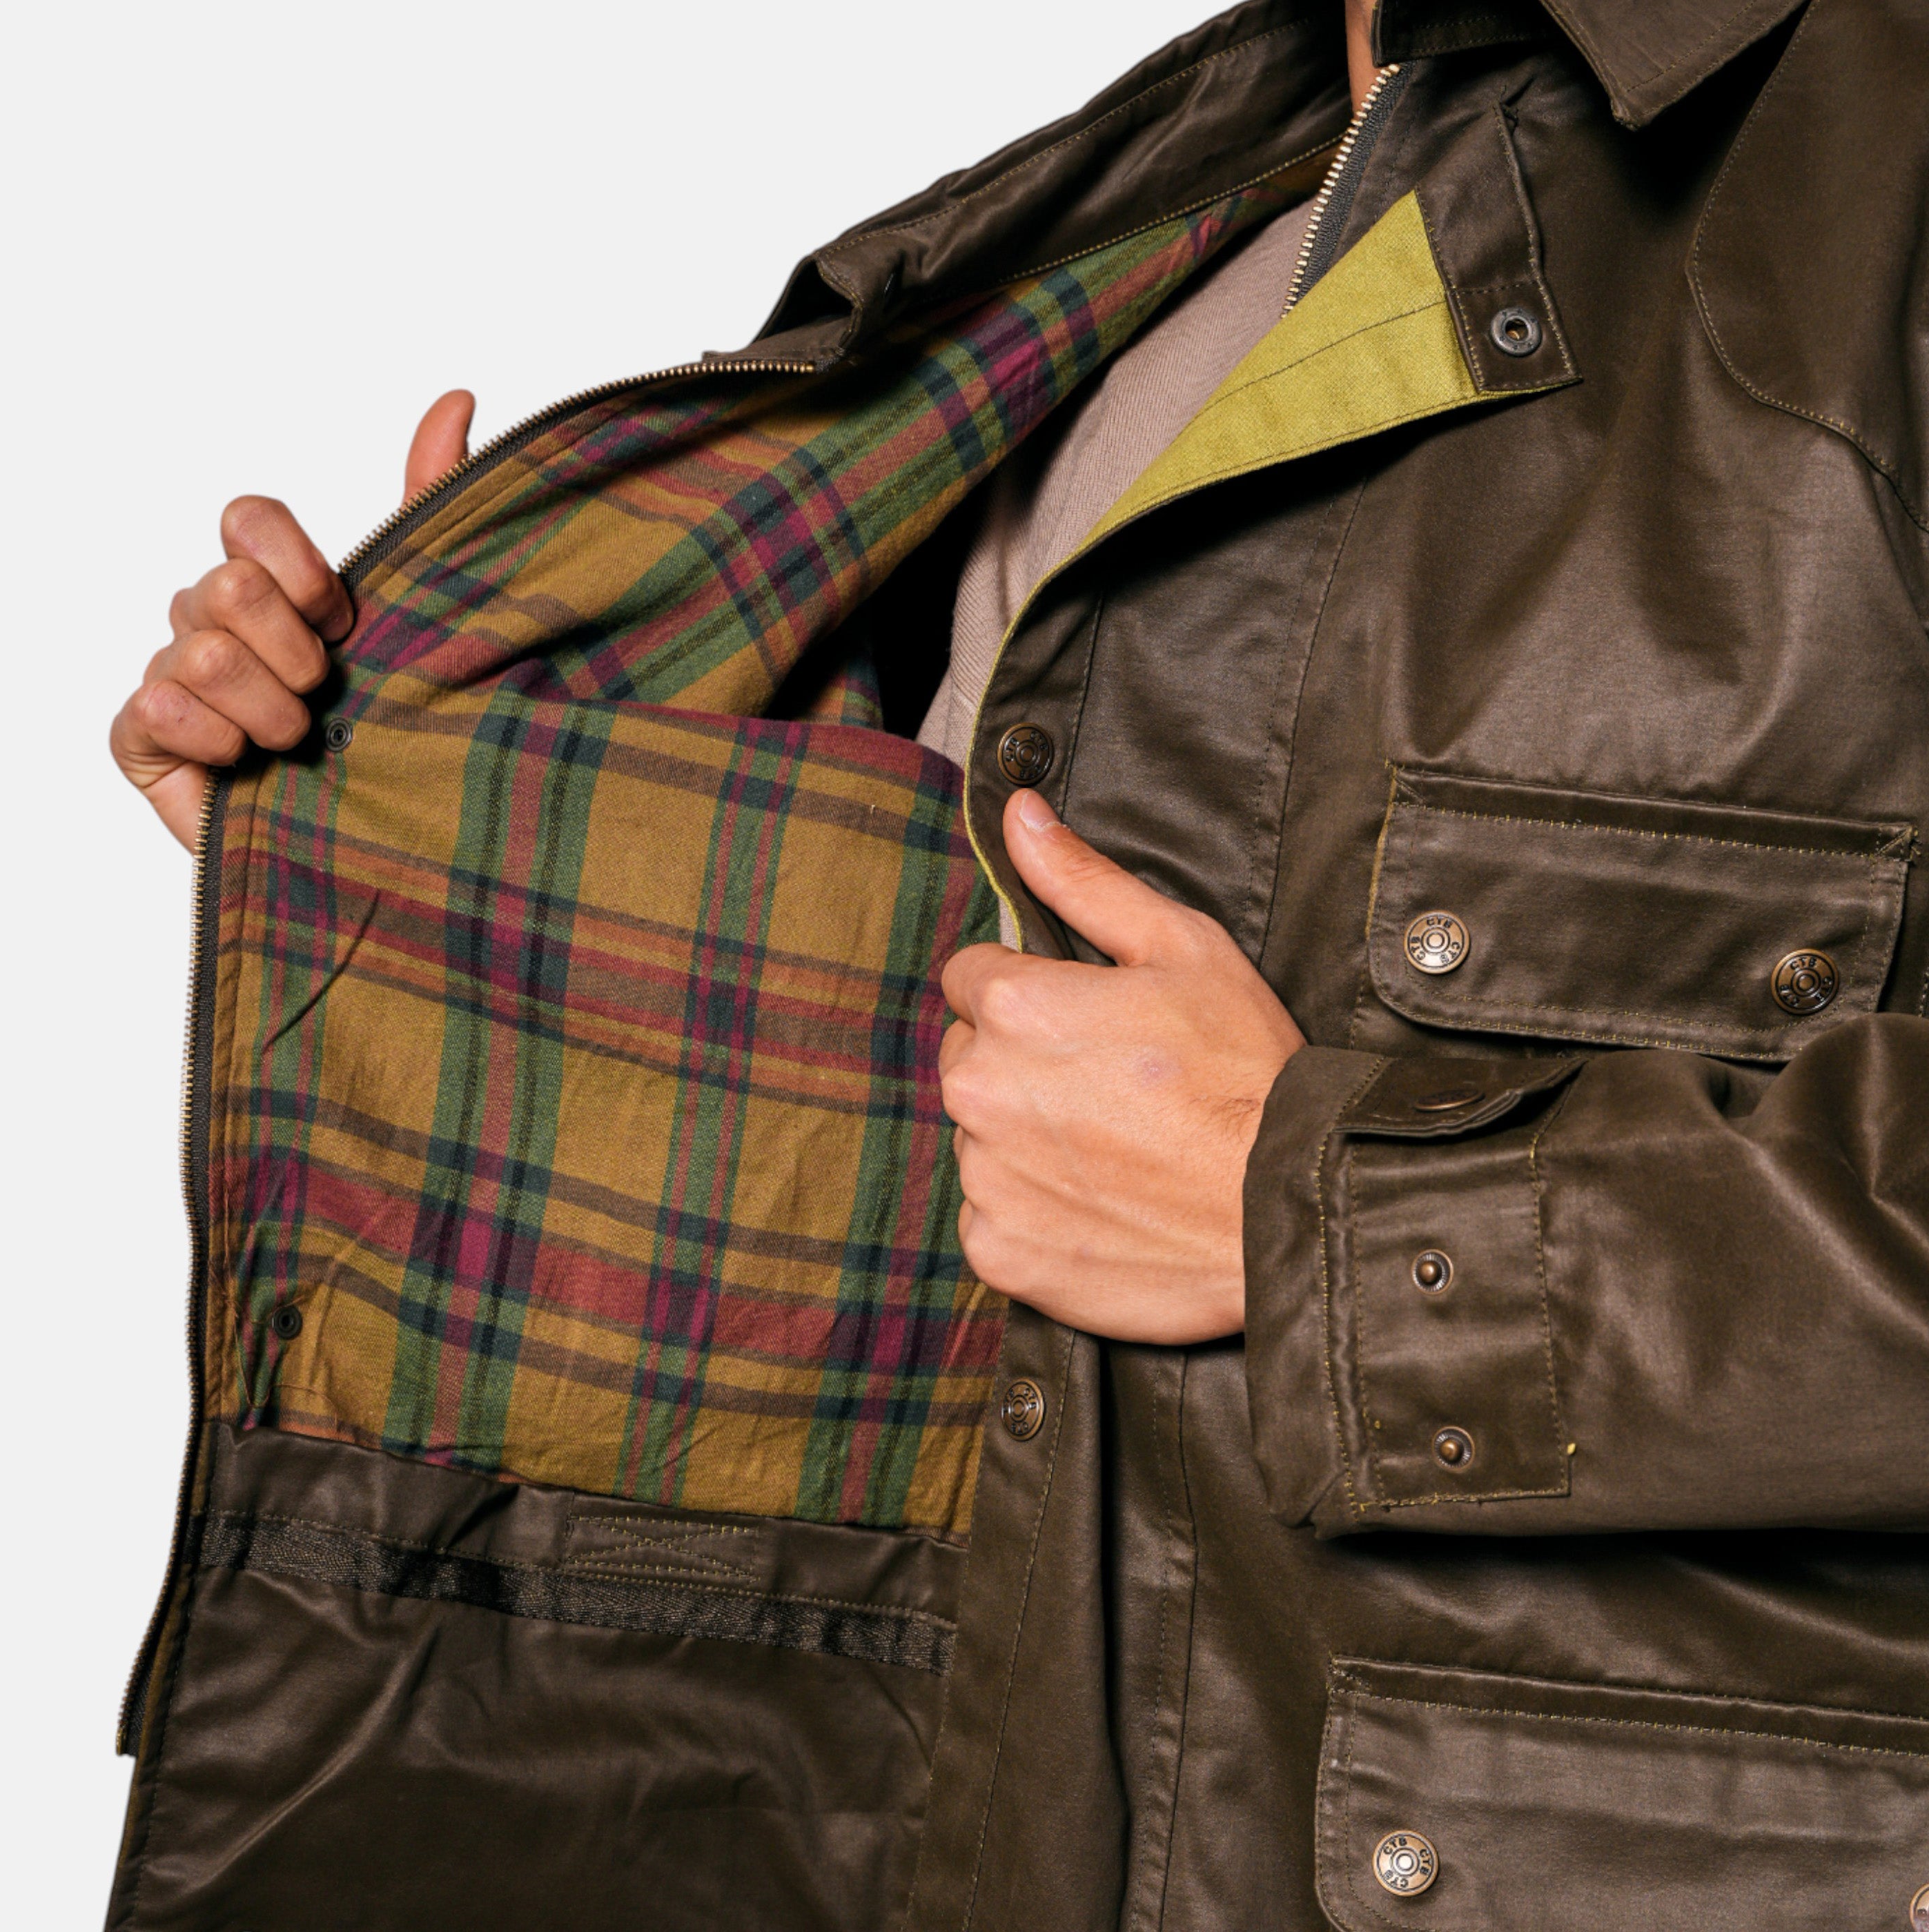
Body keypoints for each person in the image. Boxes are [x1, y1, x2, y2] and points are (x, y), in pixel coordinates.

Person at [105, 2, 1929, 1928]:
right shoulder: (1196, 212)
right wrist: (447, 815)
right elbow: (979, 1110)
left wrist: (1329, 1224)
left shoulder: (1870, 173)